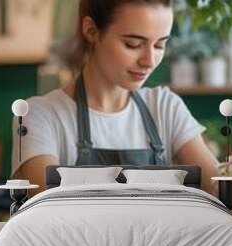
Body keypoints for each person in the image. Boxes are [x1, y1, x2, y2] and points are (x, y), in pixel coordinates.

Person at [12, 0, 219, 197]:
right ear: (91, 31)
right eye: (133, 44)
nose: (149, 61)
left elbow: (218, 189)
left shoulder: (165, 107)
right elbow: (49, 208)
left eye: (159, 45)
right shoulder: (38, 116)